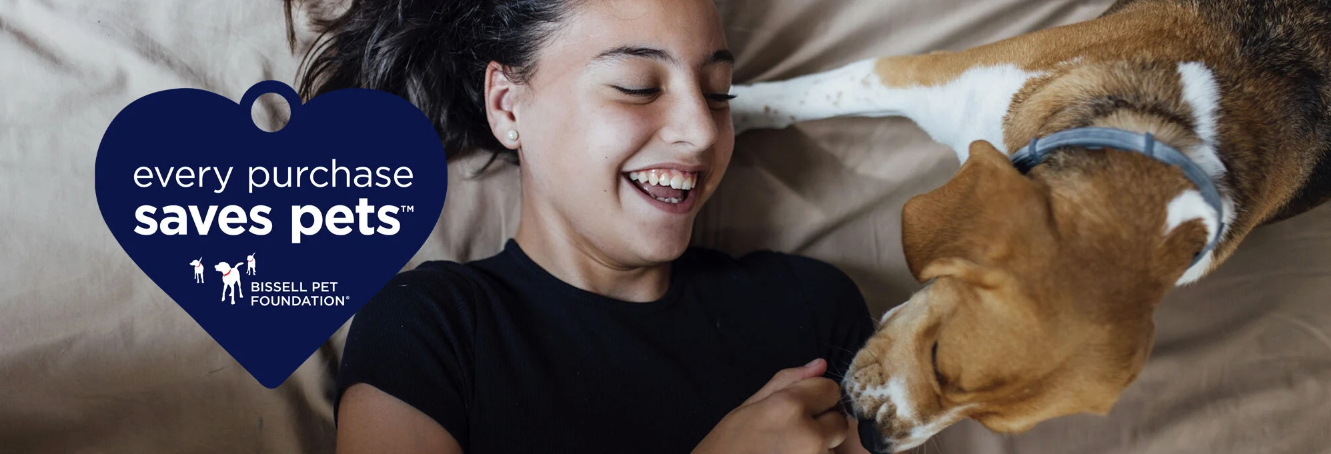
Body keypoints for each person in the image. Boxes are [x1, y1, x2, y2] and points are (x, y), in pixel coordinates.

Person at [285, 0, 875, 452]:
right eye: (638, 87)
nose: (701, 131)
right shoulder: (427, 333)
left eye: (718, 94)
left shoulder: (812, 308)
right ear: (508, 105)